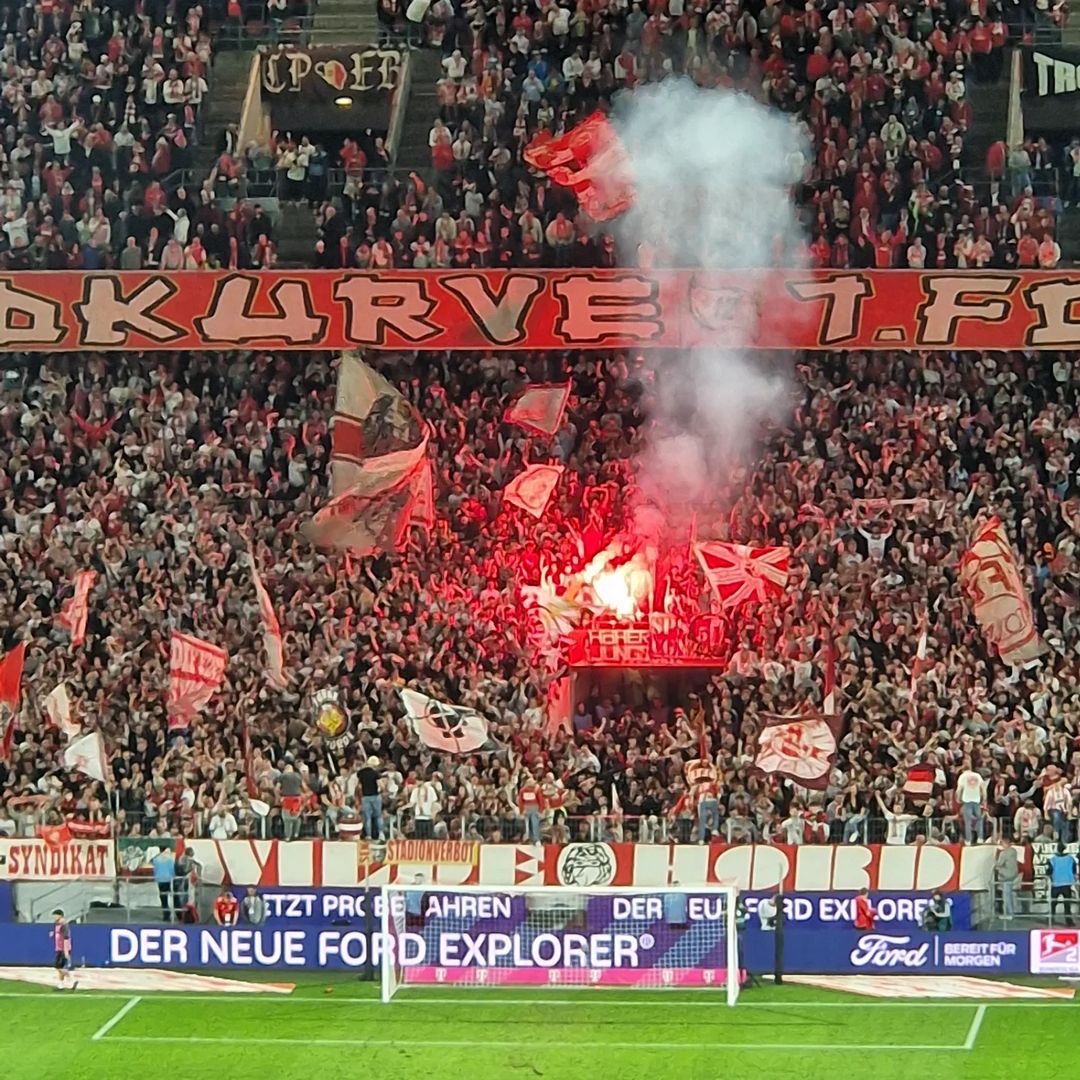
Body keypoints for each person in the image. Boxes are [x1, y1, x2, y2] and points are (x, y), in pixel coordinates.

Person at [1047, 843, 1077, 928]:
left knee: (1053, 904)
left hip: (1056, 884)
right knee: (1067, 904)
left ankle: (1051, 920)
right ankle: (1068, 921)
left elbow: (1049, 872)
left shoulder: (1053, 860)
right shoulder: (1070, 859)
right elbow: (1074, 871)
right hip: (1067, 884)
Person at [359, 756, 385, 842]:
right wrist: (382, 791)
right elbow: (381, 785)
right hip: (375, 796)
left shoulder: (361, 773)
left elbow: (358, 785)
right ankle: (381, 833)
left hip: (365, 797)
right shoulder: (375, 773)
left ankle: (368, 835)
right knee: (378, 816)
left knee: (367, 817)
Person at [51, 909, 76, 991]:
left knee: (58, 967)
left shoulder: (64, 925)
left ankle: (72, 980)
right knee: (60, 967)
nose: (53, 917)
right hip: (59, 948)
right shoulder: (57, 924)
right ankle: (60, 985)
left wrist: (65, 951)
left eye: (55, 915)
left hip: (63, 949)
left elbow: (66, 938)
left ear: (60, 915)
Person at [995, 841, 1020, 920]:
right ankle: (1010, 912)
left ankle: (1009, 913)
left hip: (1005, 875)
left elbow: (999, 864)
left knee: (1006, 895)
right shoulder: (1014, 851)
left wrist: (996, 866)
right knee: (1009, 894)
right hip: (1013, 874)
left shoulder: (1004, 853)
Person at [152, 845, 177, 922]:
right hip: (168, 879)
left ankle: (166, 914)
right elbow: (172, 870)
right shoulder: (170, 859)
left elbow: (155, 870)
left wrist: (155, 877)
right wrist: (174, 877)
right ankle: (177, 912)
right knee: (173, 896)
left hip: (160, 880)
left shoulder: (156, 859)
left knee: (163, 898)